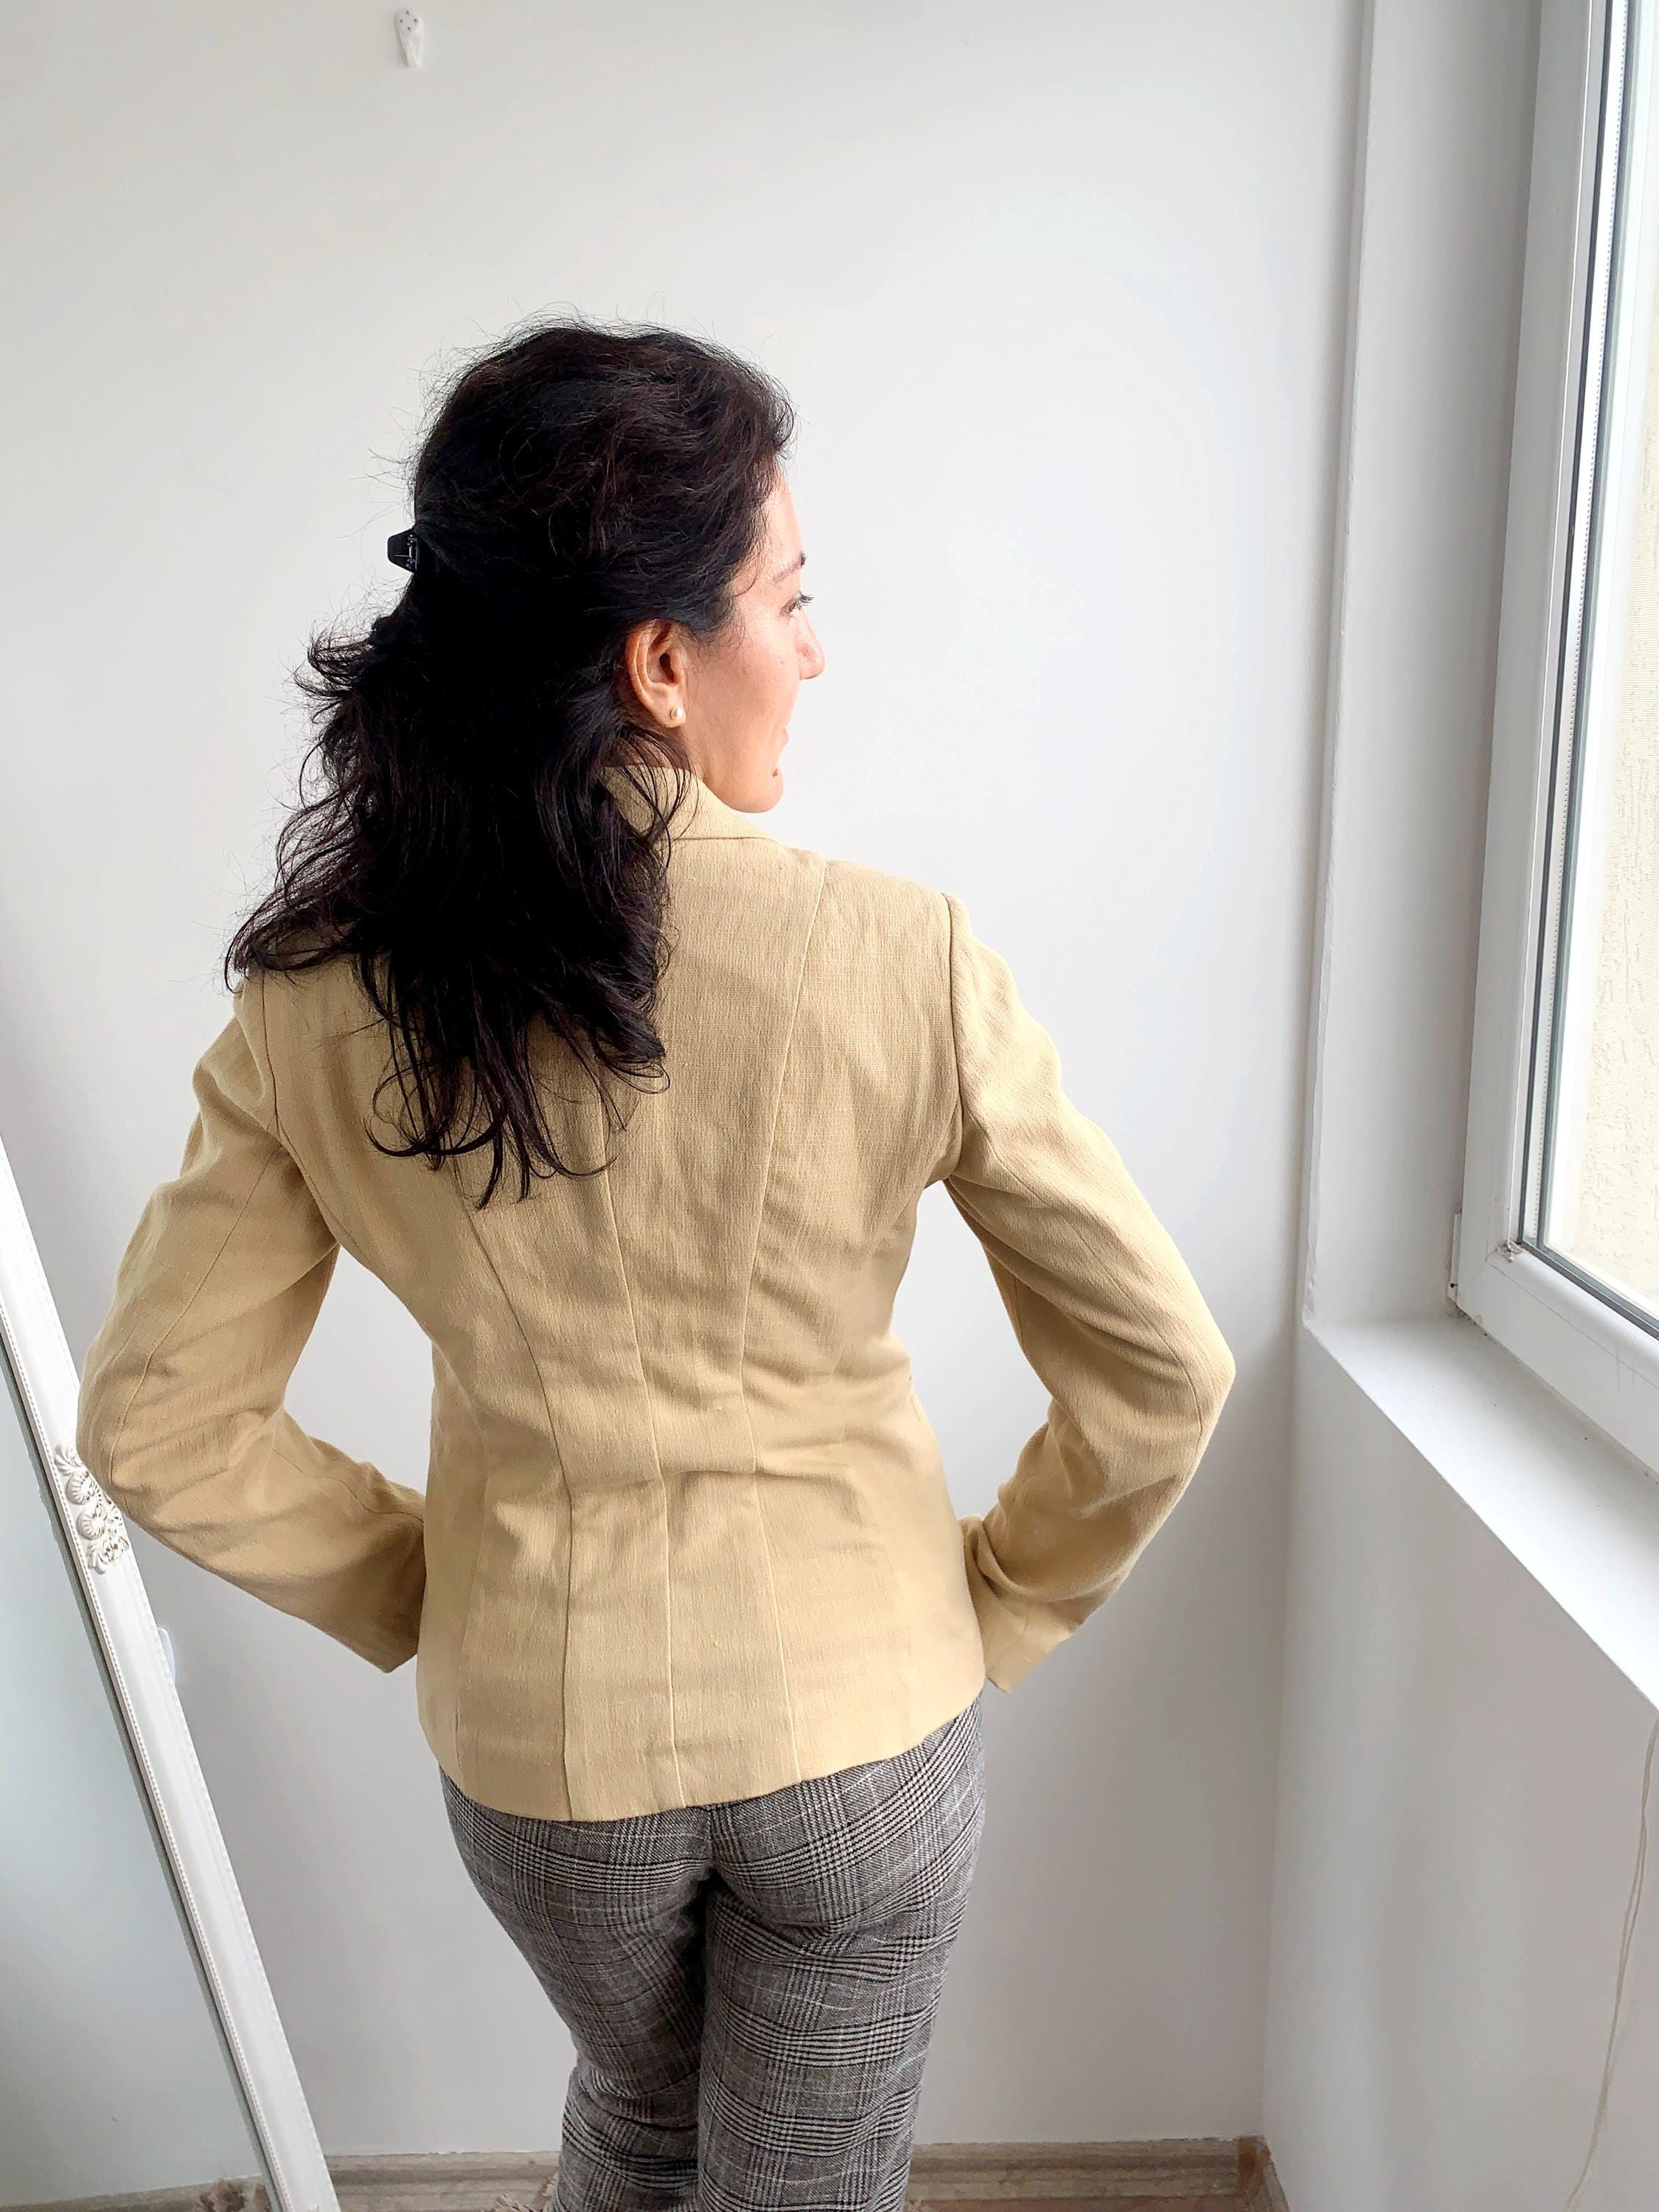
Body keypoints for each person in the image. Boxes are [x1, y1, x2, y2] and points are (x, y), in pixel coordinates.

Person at [74, 316, 1237, 2212]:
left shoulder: (311, 1002)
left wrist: (435, 1587)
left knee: (637, 2113)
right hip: (864, 1719)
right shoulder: (908, 957)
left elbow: (153, 1424)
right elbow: (1164, 1372)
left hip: (543, 1756)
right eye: (793, 597)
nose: (817, 650)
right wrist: (1004, 1598)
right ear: (662, 663)